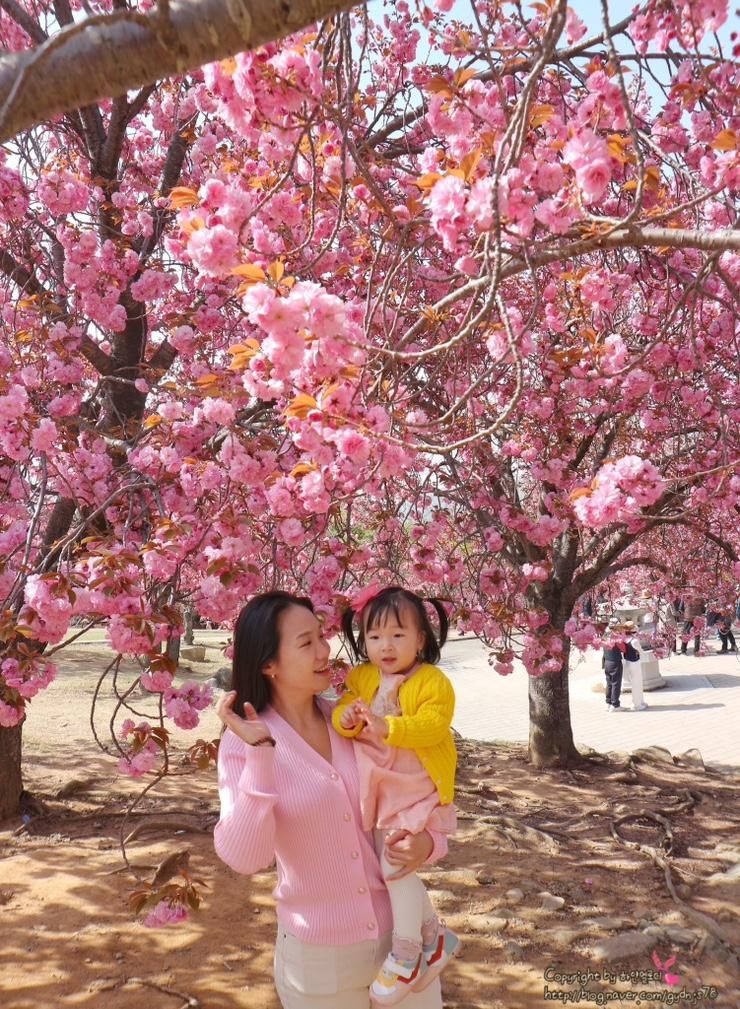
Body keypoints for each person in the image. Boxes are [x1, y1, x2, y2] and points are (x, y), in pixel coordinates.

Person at [214, 591, 447, 1009]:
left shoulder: (352, 720)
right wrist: (262, 754)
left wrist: (430, 842)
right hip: (321, 964)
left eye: (322, 636)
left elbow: (410, 787)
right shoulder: (244, 743)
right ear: (269, 663)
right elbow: (245, 858)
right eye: (307, 643)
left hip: (404, 952)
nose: (326, 650)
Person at [333, 585, 459, 1006]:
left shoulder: (432, 681)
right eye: (374, 636)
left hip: (415, 784)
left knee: (394, 867)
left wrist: (391, 728)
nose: (385, 646)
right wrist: (347, 717)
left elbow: (434, 725)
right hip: (383, 785)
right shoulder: (363, 677)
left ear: (421, 638)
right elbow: (343, 712)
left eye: (398, 635)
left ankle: (407, 955)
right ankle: (433, 937)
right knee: (392, 862)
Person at [602, 619, 640, 711]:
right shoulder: (616, 637)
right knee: (616, 683)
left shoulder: (605, 635)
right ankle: (615, 705)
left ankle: (609, 703)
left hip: (606, 661)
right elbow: (624, 649)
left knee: (609, 683)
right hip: (615, 661)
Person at [621, 620, 647, 711]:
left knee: (636, 682)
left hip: (628, 661)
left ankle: (640, 701)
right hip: (634, 663)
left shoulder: (624, 639)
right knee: (637, 683)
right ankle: (636, 704)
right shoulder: (634, 641)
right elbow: (641, 652)